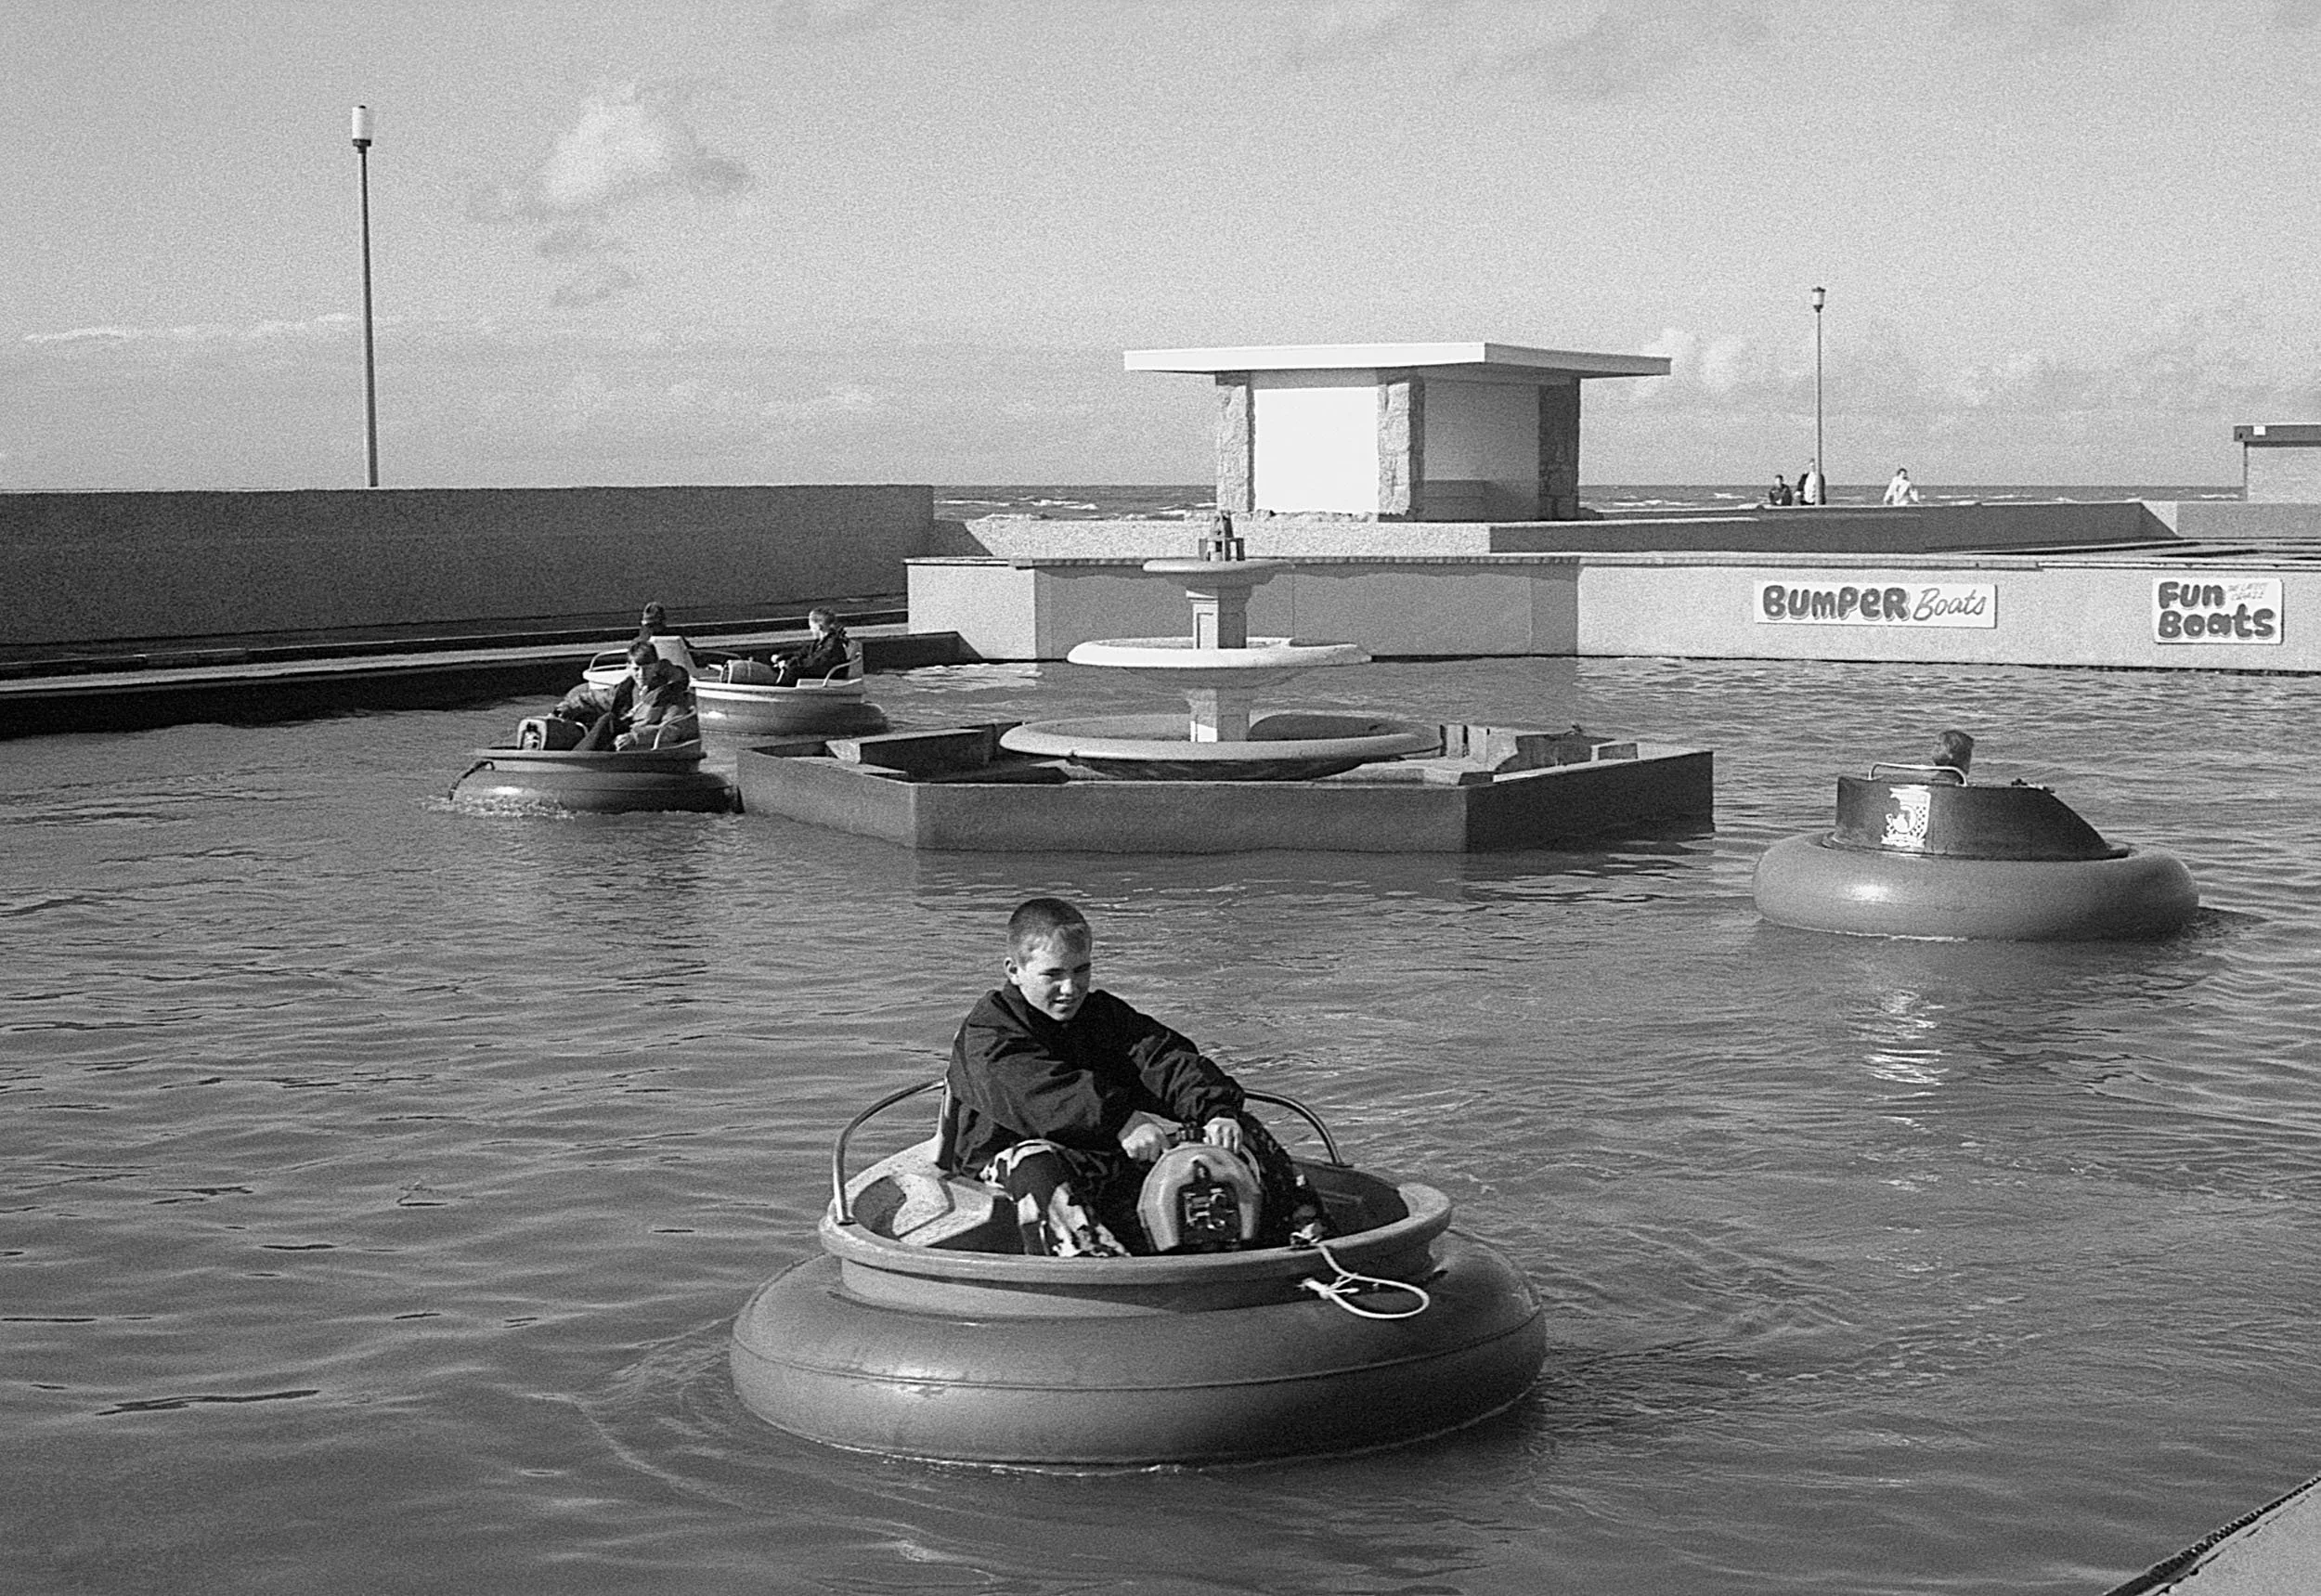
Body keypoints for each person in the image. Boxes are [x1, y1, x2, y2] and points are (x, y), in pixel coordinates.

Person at [939, 897, 1329, 1258]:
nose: (1070, 988)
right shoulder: (988, 1032)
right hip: (1014, 1159)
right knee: (1033, 1160)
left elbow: (1162, 1059)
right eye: (1052, 975)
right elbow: (1036, 1092)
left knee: (1237, 1131)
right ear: (1014, 971)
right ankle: (1092, 1268)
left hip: (1101, 1152)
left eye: (1081, 970)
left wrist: (1215, 1111)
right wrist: (1122, 1120)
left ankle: (1310, 1246)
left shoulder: (1102, 1015)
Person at [771, 608, 852, 685]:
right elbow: (802, 653)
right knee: (792, 668)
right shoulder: (820, 642)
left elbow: (815, 662)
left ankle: (783, 690)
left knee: (793, 671)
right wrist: (782, 657)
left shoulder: (832, 644)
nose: (811, 630)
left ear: (819, 627)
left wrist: (789, 664)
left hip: (828, 675)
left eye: (812, 627)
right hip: (821, 670)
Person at [632, 601, 697, 673]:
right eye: (649, 626)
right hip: (677, 675)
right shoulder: (675, 638)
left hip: (650, 677)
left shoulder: (637, 643)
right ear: (664, 622)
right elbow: (695, 657)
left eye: (652, 625)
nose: (651, 629)